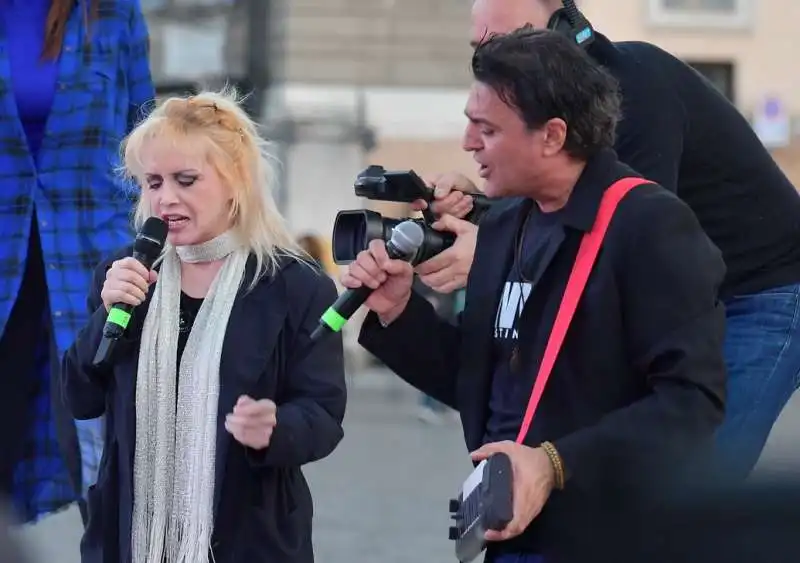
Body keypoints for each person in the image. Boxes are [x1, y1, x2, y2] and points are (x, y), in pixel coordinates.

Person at [343, 28, 726, 562]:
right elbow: (483, 377)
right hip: (514, 533)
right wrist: (400, 315)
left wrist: (553, 464)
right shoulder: (504, 225)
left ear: (551, 135)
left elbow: (692, 405)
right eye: (469, 125)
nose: (468, 144)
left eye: (487, 129)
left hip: (611, 536)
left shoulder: (649, 224)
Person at [412, 0, 800, 480]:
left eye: (507, 43)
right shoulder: (566, 110)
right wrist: (483, 209)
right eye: (479, 52)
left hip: (765, 290)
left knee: (693, 479)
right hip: (694, 292)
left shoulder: (637, 93)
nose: (491, 65)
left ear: (562, 29)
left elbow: (620, 233)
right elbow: (565, 205)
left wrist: (494, 252)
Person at [61, 90, 347, 563]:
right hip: (130, 539)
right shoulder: (126, 273)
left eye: (186, 180)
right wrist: (104, 317)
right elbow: (79, 397)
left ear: (235, 182)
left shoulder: (295, 286)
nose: (165, 198)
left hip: (249, 538)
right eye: (153, 182)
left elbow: (323, 415)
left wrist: (275, 427)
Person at [0, 0, 155, 523]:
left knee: (109, 455)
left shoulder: (113, 13)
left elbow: (146, 131)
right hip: (6, 264)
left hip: (94, 259)